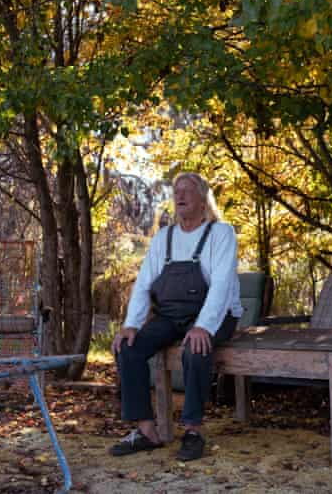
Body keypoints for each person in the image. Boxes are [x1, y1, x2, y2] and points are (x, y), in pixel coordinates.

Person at [109, 172, 243, 461]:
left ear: (203, 198)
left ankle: (193, 431)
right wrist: (131, 324)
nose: (180, 196)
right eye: (176, 192)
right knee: (127, 348)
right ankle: (146, 430)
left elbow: (221, 285)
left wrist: (203, 327)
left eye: (188, 191)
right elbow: (144, 283)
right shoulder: (164, 237)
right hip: (170, 315)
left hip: (216, 315)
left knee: (195, 349)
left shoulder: (221, 234)